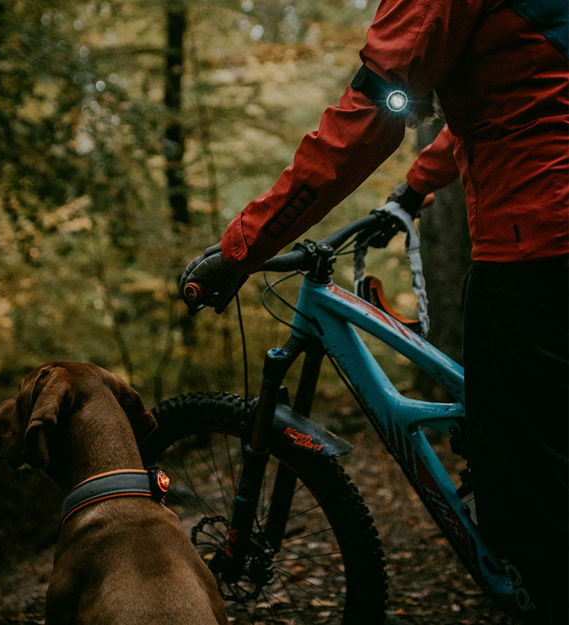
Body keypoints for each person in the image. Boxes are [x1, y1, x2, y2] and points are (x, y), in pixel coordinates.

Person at [180, 1, 569, 622]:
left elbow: (368, 116)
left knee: (531, 511)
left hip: (540, 247)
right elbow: (520, 94)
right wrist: (415, 188)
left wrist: (241, 250)